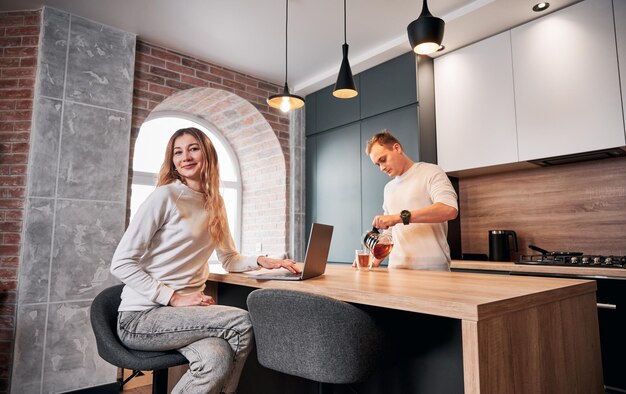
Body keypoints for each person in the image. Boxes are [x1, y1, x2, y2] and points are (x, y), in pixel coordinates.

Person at [110, 127, 299, 394]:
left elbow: (229, 259)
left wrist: (261, 260)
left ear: (207, 153)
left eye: (193, 148)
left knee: (217, 358)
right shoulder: (165, 196)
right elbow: (121, 262)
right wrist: (173, 297)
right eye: (178, 152)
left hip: (182, 317)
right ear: (172, 160)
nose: (185, 157)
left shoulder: (215, 202)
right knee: (242, 322)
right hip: (141, 318)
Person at [363, 130, 458, 271]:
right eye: (378, 165)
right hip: (396, 270)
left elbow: (449, 209)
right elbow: (390, 233)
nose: (382, 168)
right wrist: (373, 260)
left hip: (432, 269)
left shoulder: (431, 172)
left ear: (397, 148)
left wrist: (397, 218)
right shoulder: (388, 188)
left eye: (383, 160)